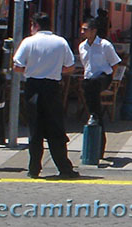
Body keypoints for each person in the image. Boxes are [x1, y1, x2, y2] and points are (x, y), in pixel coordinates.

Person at [12, 12, 79, 179]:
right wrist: (56, 70)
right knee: (56, 128)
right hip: (52, 87)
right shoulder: (60, 41)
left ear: (36, 25)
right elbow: (70, 67)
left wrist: (30, 70)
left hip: (33, 86)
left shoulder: (28, 42)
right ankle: (64, 168)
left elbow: (16, 66)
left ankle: (34, 168)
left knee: (35, 130)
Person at [78, 18, 121, 158]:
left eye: (85, 29)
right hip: (89, 80)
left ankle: (94, 117)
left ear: (93, 31)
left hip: (103, 77)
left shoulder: (105, 45)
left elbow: (114, 64)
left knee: (93, 85)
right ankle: (96, 143)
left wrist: (109, 80)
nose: (82, 32)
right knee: (94, 108)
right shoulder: (82, 46)